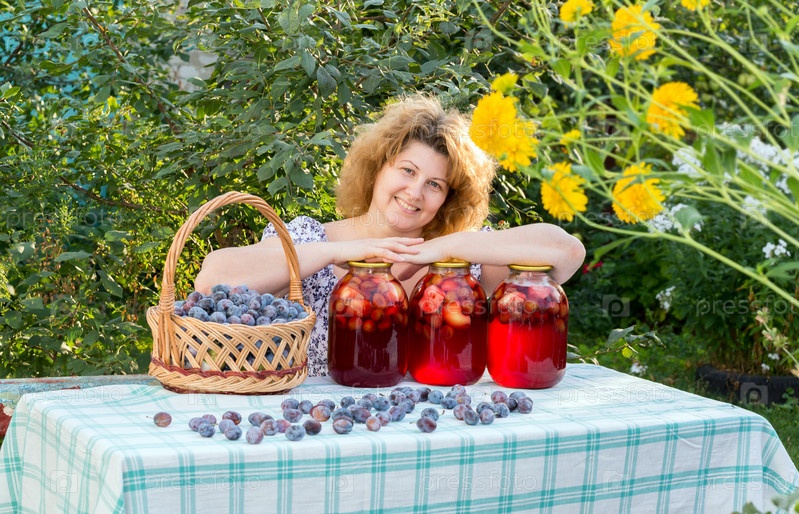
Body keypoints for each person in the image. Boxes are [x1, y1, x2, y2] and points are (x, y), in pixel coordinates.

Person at [194, 94, 586, 376]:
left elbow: (566, 251)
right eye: (407, 170)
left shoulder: (463, 266)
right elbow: (212, 280)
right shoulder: (310, 238)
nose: (415, 192)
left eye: (435, 184)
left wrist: (444, 246)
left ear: (448, 198)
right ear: (377, 167)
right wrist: (341, 252)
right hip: (318, 431)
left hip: (429, 435)